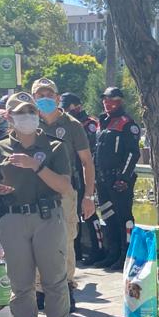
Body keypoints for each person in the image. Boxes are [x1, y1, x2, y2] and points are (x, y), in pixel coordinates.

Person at [0, 92, 72, 317]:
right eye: (21, 113)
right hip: (13, 218)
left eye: (32, 112)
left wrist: (36, 166)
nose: (28, 117)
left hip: (47, 217)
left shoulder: (54, 147)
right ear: (10, 118)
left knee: (53, 279)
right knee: (20, 282)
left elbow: (64, 186)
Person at [32, 80, 96, 310]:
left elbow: (87, 162)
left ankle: (66, 286)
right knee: (36, 239)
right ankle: (39, 290)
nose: (45, 97)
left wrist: (89, 196)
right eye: (40, 94)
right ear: (33, 98)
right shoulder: (29, 123)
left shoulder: (72, 125)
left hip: (65, 190)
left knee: (66, 239)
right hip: (35, 190)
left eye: (49, 93)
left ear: (58, 98)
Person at [92, 86, 141, 271]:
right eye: (105, 99)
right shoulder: (102, 122)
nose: (107, 103)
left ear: (120, 101)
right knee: (108, 216)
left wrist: (124, 178)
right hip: (102, 179)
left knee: (124, 218)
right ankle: (112, 253)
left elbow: (133, 153)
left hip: (119, 180)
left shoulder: (127, 123)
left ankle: (126, 255)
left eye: (111, 99)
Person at [61, 92, 102, 265]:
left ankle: (98, 250)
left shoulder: (88, 124)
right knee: (73, 215)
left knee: (89, 214)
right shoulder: (64, 124)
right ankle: (76, 252)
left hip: (85, 173)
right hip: (70, 174)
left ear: (76, 106)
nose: (65, 110)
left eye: (67, 107)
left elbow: (89, 152)